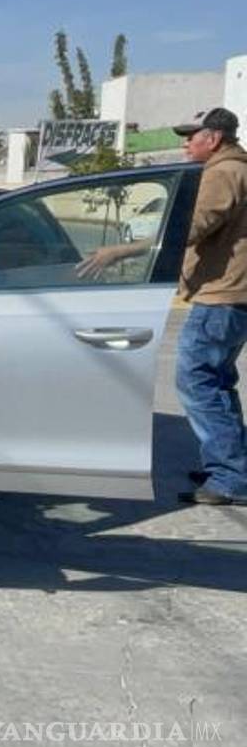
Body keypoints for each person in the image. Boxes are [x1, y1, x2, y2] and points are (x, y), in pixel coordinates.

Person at [161, 108, 247, 505]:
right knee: (217, 383)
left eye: (190, 136)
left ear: (213, 138)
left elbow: (192, 227)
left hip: (220, 295)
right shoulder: (237, 168)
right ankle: (229, 467)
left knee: (197, 382)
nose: (185, 144)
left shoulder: (222, 172)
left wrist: (139, 245)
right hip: (231, 295)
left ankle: (229, 477)